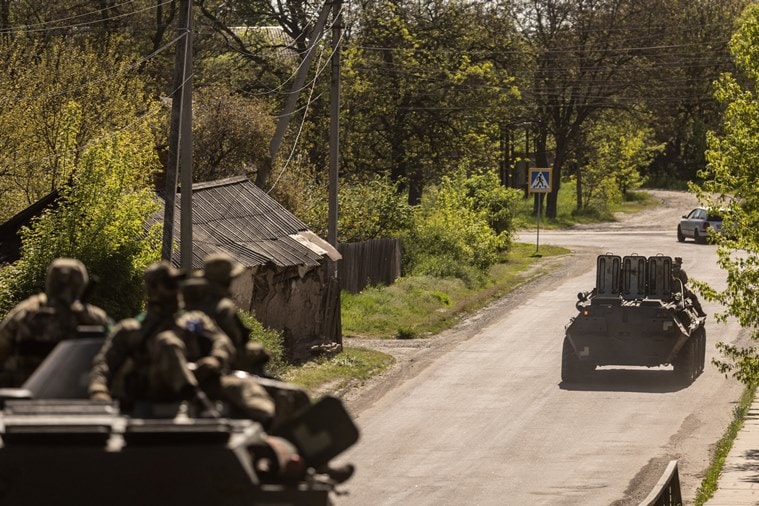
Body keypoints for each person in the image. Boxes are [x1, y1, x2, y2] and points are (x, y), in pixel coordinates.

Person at [88, 262, 233, 412]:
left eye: (177, 283)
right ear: (153, 289)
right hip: (152, 391)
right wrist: (98, 390)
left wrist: (216, 358)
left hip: (200, 380)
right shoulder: (132, 329)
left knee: (244, 387)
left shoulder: (194, 321)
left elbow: (222, 341)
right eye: (170, 284)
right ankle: (194, 397)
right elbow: (103, 364)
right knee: (168, 342)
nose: (176, 289)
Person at [0, 257, 110, 387]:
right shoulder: (95, 318)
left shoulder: (25, 312)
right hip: (76, 397)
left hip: (22, 395)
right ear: (81, 284)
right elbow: (111, 358)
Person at [200, 253, 271, 375]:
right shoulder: (223, 307)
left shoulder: (195, 301)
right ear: (228, 280)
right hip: (222, 364)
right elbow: (235, 344)